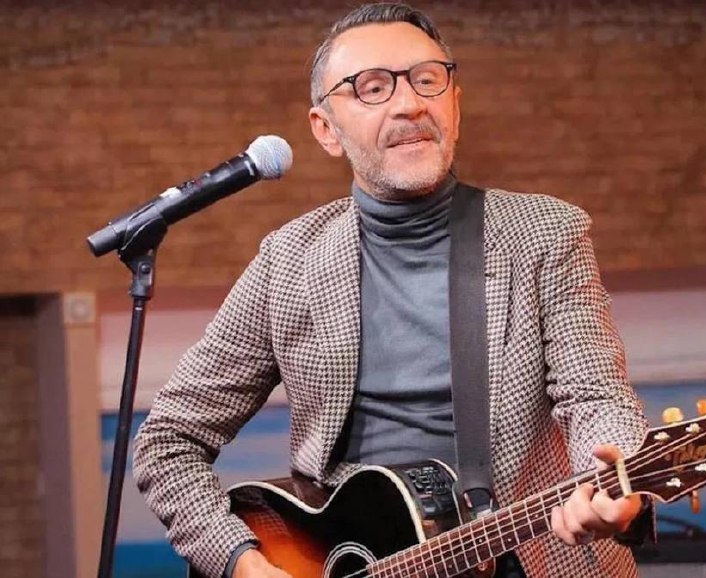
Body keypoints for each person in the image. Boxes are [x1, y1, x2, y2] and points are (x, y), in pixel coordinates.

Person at [133, 3, 653, 578]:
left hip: (532, 558)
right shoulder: (289, 260)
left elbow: (597, 397)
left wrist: (613, 480)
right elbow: (168, 439)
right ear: (326, 130)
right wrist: (240, 561)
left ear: (455, 105)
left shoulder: (544, 234)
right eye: (373, 88)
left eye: (427, 80)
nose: (409, 104)